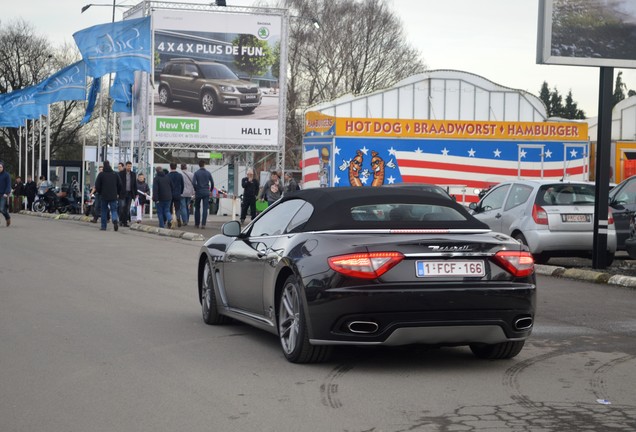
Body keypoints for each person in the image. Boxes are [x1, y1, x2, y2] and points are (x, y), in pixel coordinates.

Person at [94, 160, 122, 231]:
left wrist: (100, 192)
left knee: (104, 210)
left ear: (103, 166)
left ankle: (103, 226)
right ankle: (115, 219)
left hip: (104, 195)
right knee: (114, 210)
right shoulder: (115, 174)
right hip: (113, 195)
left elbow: (97, 185)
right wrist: (117, 192)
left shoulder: (101, 174)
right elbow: (120, 184)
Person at [192, 160, 214, 229]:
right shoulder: (208, 173)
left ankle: (197, 224)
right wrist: (210, 190)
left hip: (198, 192)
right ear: (204, 165)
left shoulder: (196, 173)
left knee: (197, 208)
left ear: (199, 165)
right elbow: (212, 183)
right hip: (206, 192)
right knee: (205, 208)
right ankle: (203, 224)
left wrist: (196, 189)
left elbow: (193, 182)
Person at [117, 161, 137, 227]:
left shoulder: (133, 174)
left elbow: (134, 185)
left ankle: (125, 222)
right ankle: (121, 220)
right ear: (125, 166)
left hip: (130, 193)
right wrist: (117, 193)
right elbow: (118, 184)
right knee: (122, 207)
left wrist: (135, 194)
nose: (129, 167)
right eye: (128, 166)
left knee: (127, 208)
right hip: (122, 193)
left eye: (130, 166)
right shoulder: (120, 174)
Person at [167, 162, 184, 227]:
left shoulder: (168, 176)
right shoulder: (180, 175)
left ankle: (170, 221)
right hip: (177, 193)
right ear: (176, 167)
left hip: (169, 194)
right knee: (177, 208)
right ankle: (178, 218)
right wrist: (181, 192)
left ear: (170, 167)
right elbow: (182, 185)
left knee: (169, 208)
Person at [0, 161, 11, 226]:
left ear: (3, 167)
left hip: (3, 194)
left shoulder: (6, 175)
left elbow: (8, 184)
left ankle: (7, 217)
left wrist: (6, 193)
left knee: (1, 209)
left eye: (0, 167)